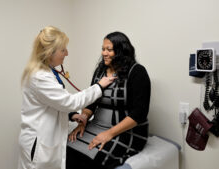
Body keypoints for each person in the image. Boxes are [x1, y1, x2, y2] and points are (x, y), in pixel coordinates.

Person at [18, 26, 116, 169]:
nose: (67, 53)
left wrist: (72, 115)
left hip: (45, 140)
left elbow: (53, 102)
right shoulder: (40, 77)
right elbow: (70, 102)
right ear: (50, 52)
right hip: (39, 146)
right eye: (63, 50)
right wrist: (99, 86)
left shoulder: (48, 71)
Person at [67, 31, 151, 169]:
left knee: (94, 159)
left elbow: (139, 114)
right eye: (103, 49)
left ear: (121, 51)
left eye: (109, 49)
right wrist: (83, 119)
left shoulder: (137, 72)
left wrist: (109, 134)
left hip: (125, 132)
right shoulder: (100, 71)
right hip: (97, 125)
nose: (104, 53)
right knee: (68, 150)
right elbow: (92, 102)